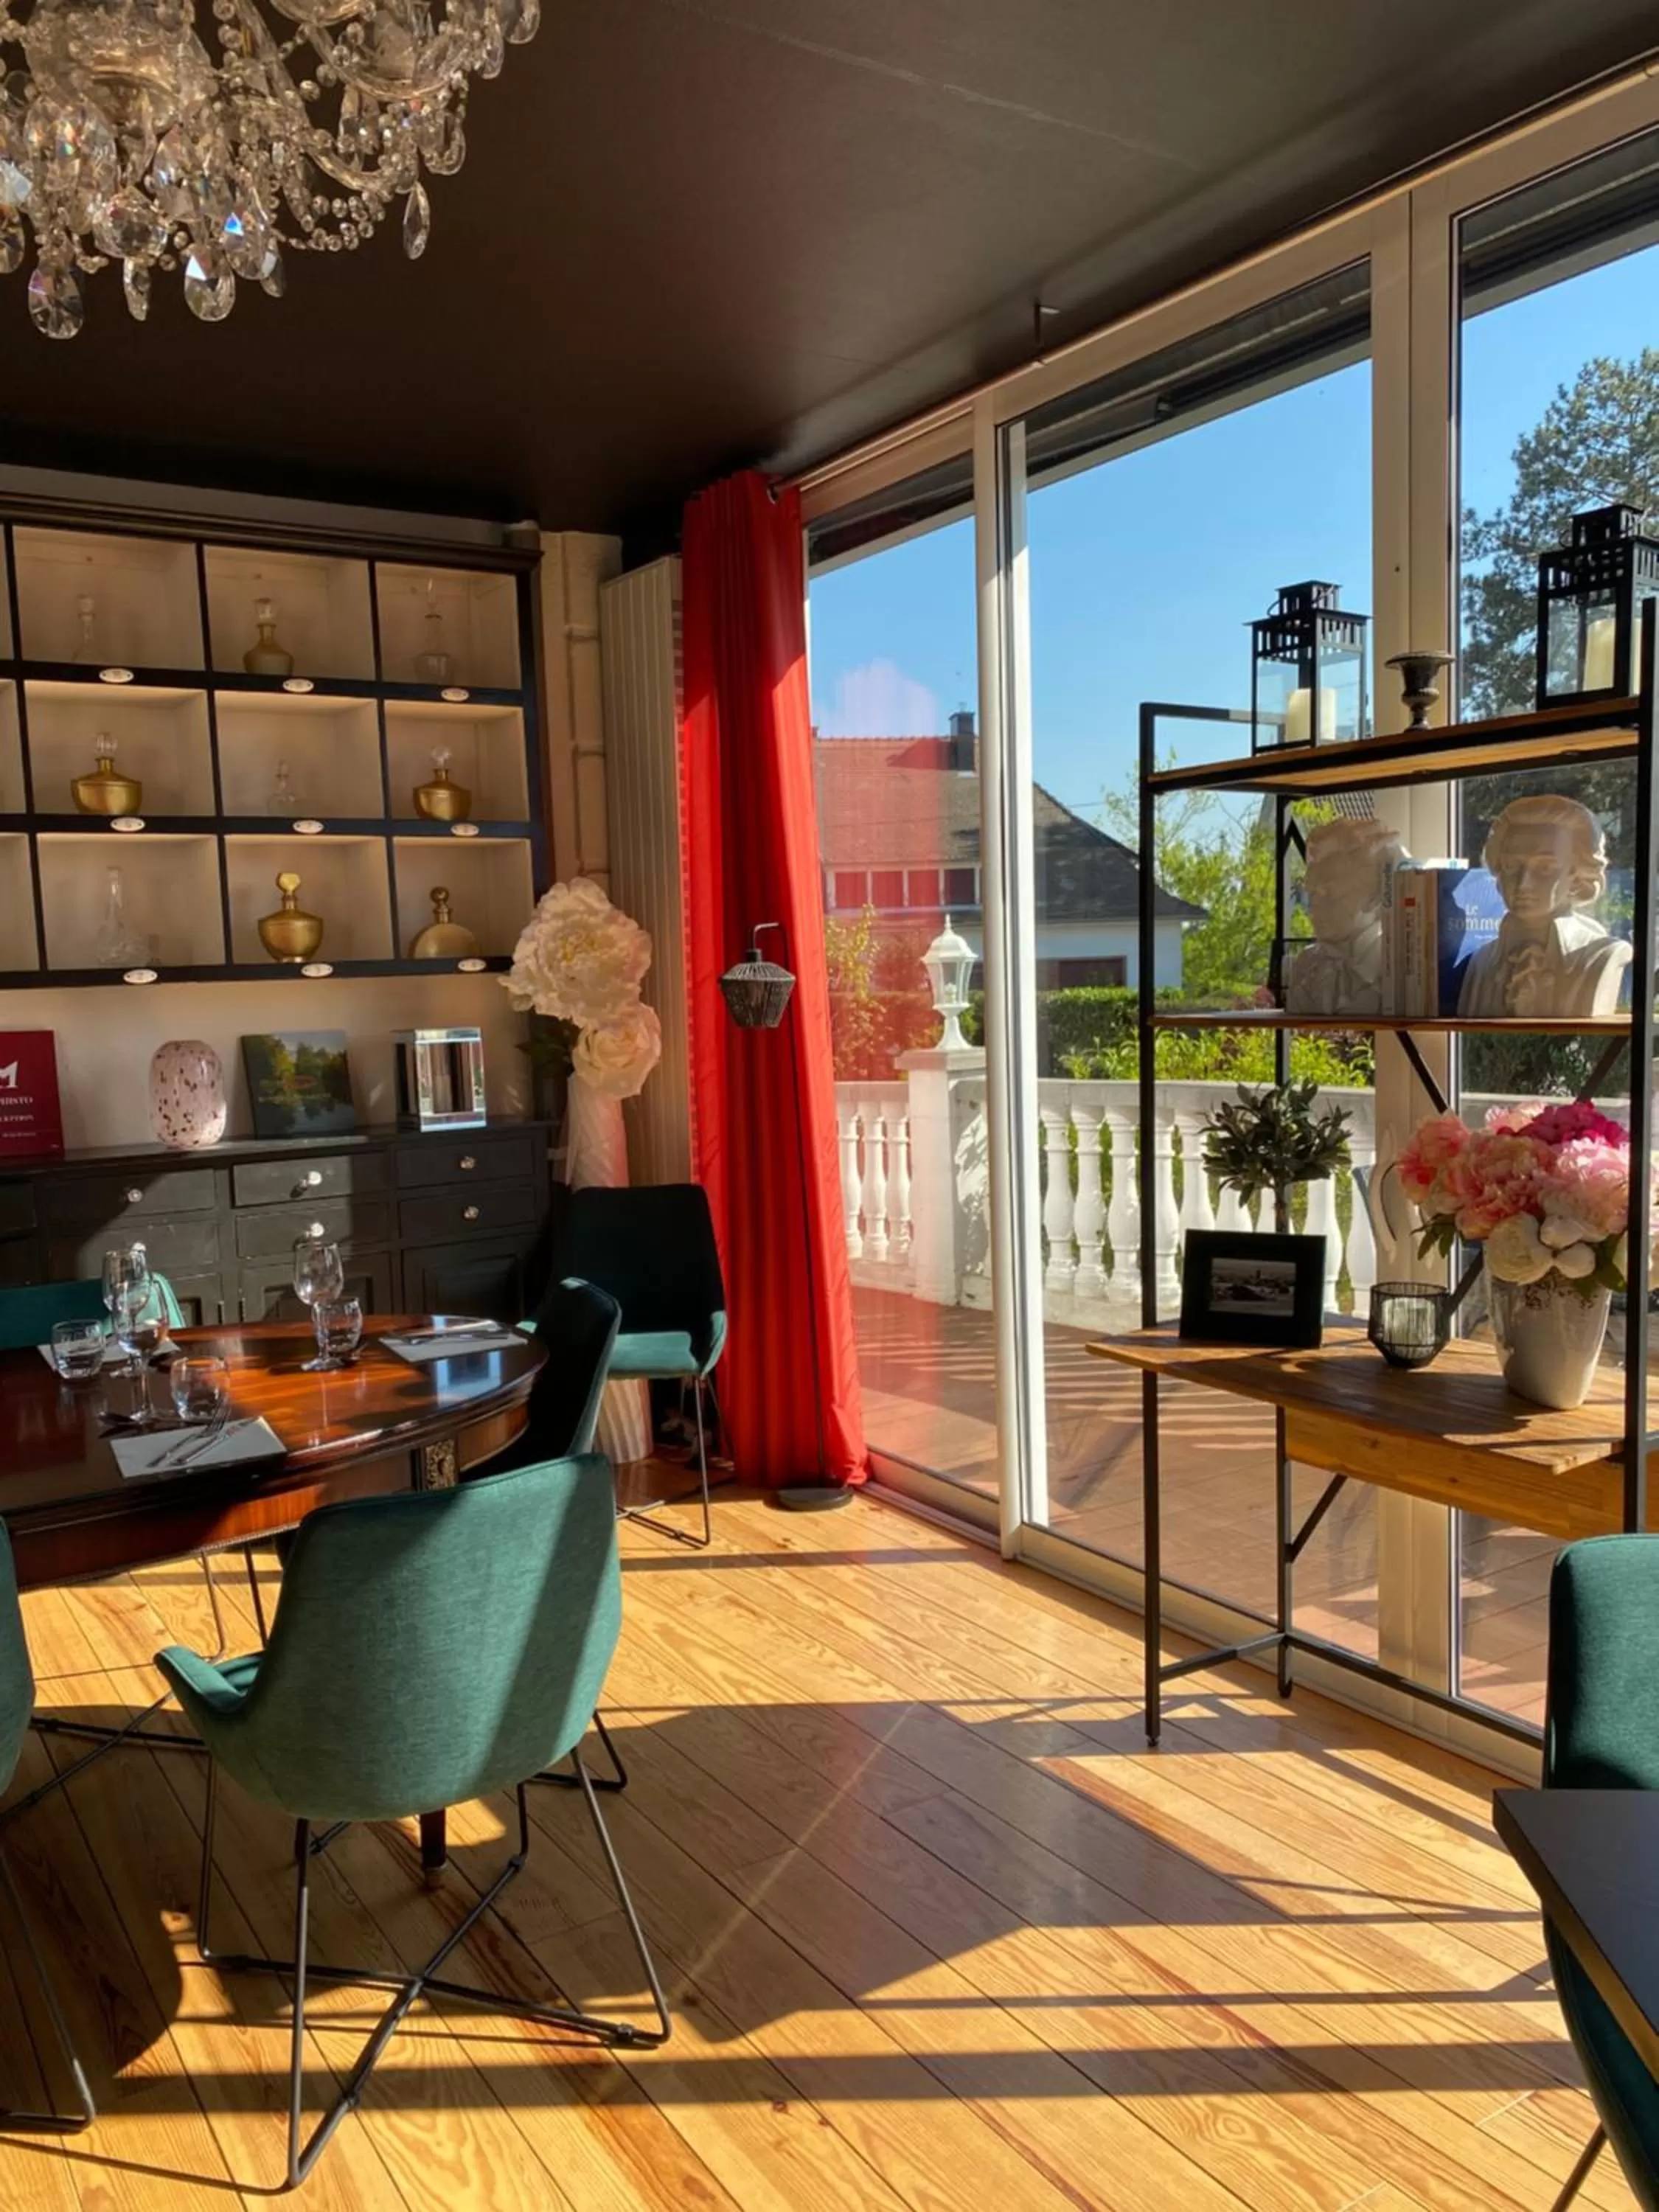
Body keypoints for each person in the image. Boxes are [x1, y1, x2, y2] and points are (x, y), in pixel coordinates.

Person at [1456, 793, 1631, 1019]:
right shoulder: (1480, 963)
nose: (1523, 883)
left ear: (1576, 877)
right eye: (1511, 866)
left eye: (1545, 868)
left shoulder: (1602, 957)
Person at [1287, 816, 1408, 1017]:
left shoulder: (1402, 972)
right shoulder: (1304, 966)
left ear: (1376, 895)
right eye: (1312, 890)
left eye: (1330, 891)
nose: (1314, 902)